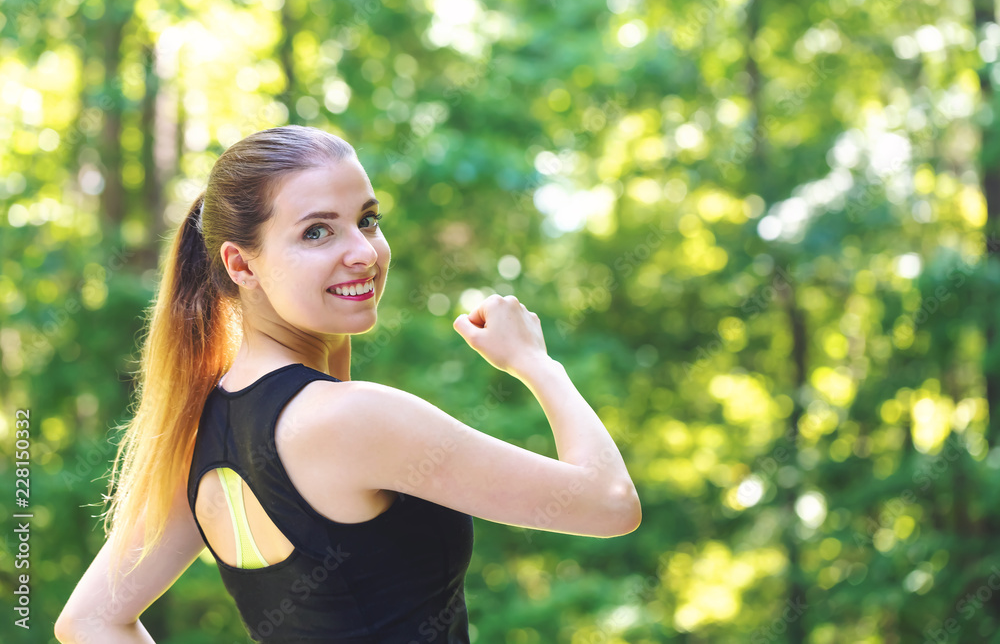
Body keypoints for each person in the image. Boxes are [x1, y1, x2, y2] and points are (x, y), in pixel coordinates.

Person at [54, 125, 641, 643]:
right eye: (317, 233)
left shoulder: (203, 426)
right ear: (240, 265)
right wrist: (537, 364)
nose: (363, 252)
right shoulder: (352, 420)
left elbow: (88, 621)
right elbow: (610, 504)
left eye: (367, 220)